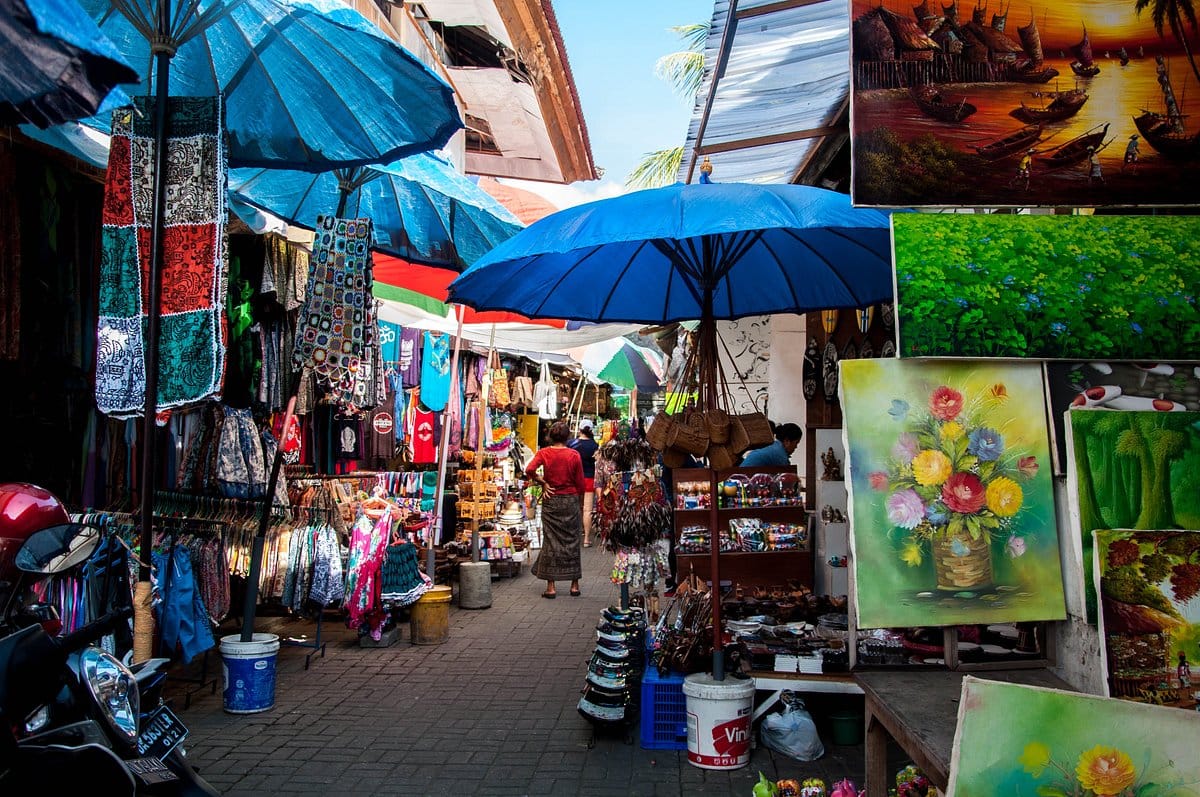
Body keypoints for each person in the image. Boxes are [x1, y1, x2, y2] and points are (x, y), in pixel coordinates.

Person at [524, 420, 585, 598]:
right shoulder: (574, 455)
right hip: (570, 500)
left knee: (550, 541)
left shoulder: (544, 453)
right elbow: (580, 484)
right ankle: (574, 585)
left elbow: (529, 469)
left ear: (550, 436)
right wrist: (578, 501)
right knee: (572, 541)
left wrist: (543, 482)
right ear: (568, 437)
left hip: (551, 501)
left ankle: (551, 587)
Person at [569, 420, 600, 547]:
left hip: (573, 480)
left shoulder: (571, 444)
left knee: (575, 508)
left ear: (579, 429)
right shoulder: (594, 446)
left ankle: (572, 537)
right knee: (587, 509)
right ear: (591, 430)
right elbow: (597, 464)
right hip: (588, 479)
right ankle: (586, 539)